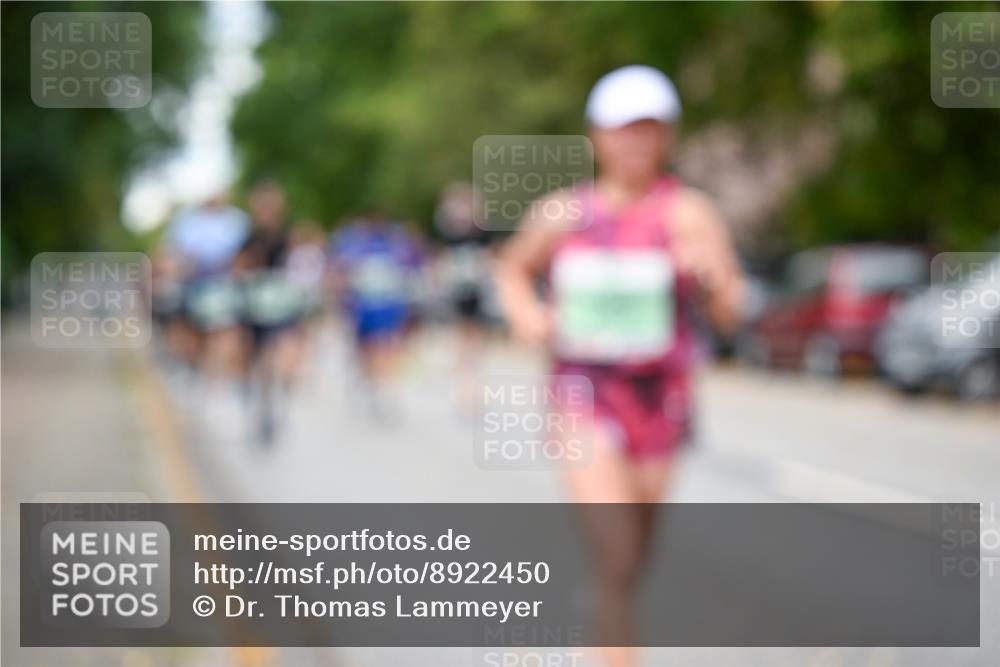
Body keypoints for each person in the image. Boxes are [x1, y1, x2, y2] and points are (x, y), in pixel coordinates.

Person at [495, 65, 743, 666]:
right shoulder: (562, 214)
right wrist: (527, 314)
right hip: (584, 393)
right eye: (624, 130)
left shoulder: (690, 213)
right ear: (596, 137)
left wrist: (708, 278)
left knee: (633, 560)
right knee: (616, 553)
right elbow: (510, 270)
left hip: (662, 397)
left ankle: (606, 609)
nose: (637, 142)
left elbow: (731, 310)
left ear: (667, 137)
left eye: (650, 130)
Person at [329, 215, 422, 423]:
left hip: (386, 310)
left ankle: (384, 390)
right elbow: (341, 277)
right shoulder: (353, 248)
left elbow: (407, 277)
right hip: (363, 310)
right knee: (367, 351)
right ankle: (371, 382)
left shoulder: (395, 249)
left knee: (385, 349)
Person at [158, 192, 249, 375]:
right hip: (193, 282)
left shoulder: (238, 220)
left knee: (225, 333)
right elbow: (172, 255)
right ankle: (193, 369)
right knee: (188, 331)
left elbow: (245, 255)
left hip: (224, 284)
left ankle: (220, 377)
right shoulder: (186, 222)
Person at [434, 182, 495, 414]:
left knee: (476, 337)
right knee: (460, 336)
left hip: (477, 288)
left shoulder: (481, 232)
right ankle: (463, 387)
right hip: (457, 288)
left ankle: (474, 386)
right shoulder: (449, 232)